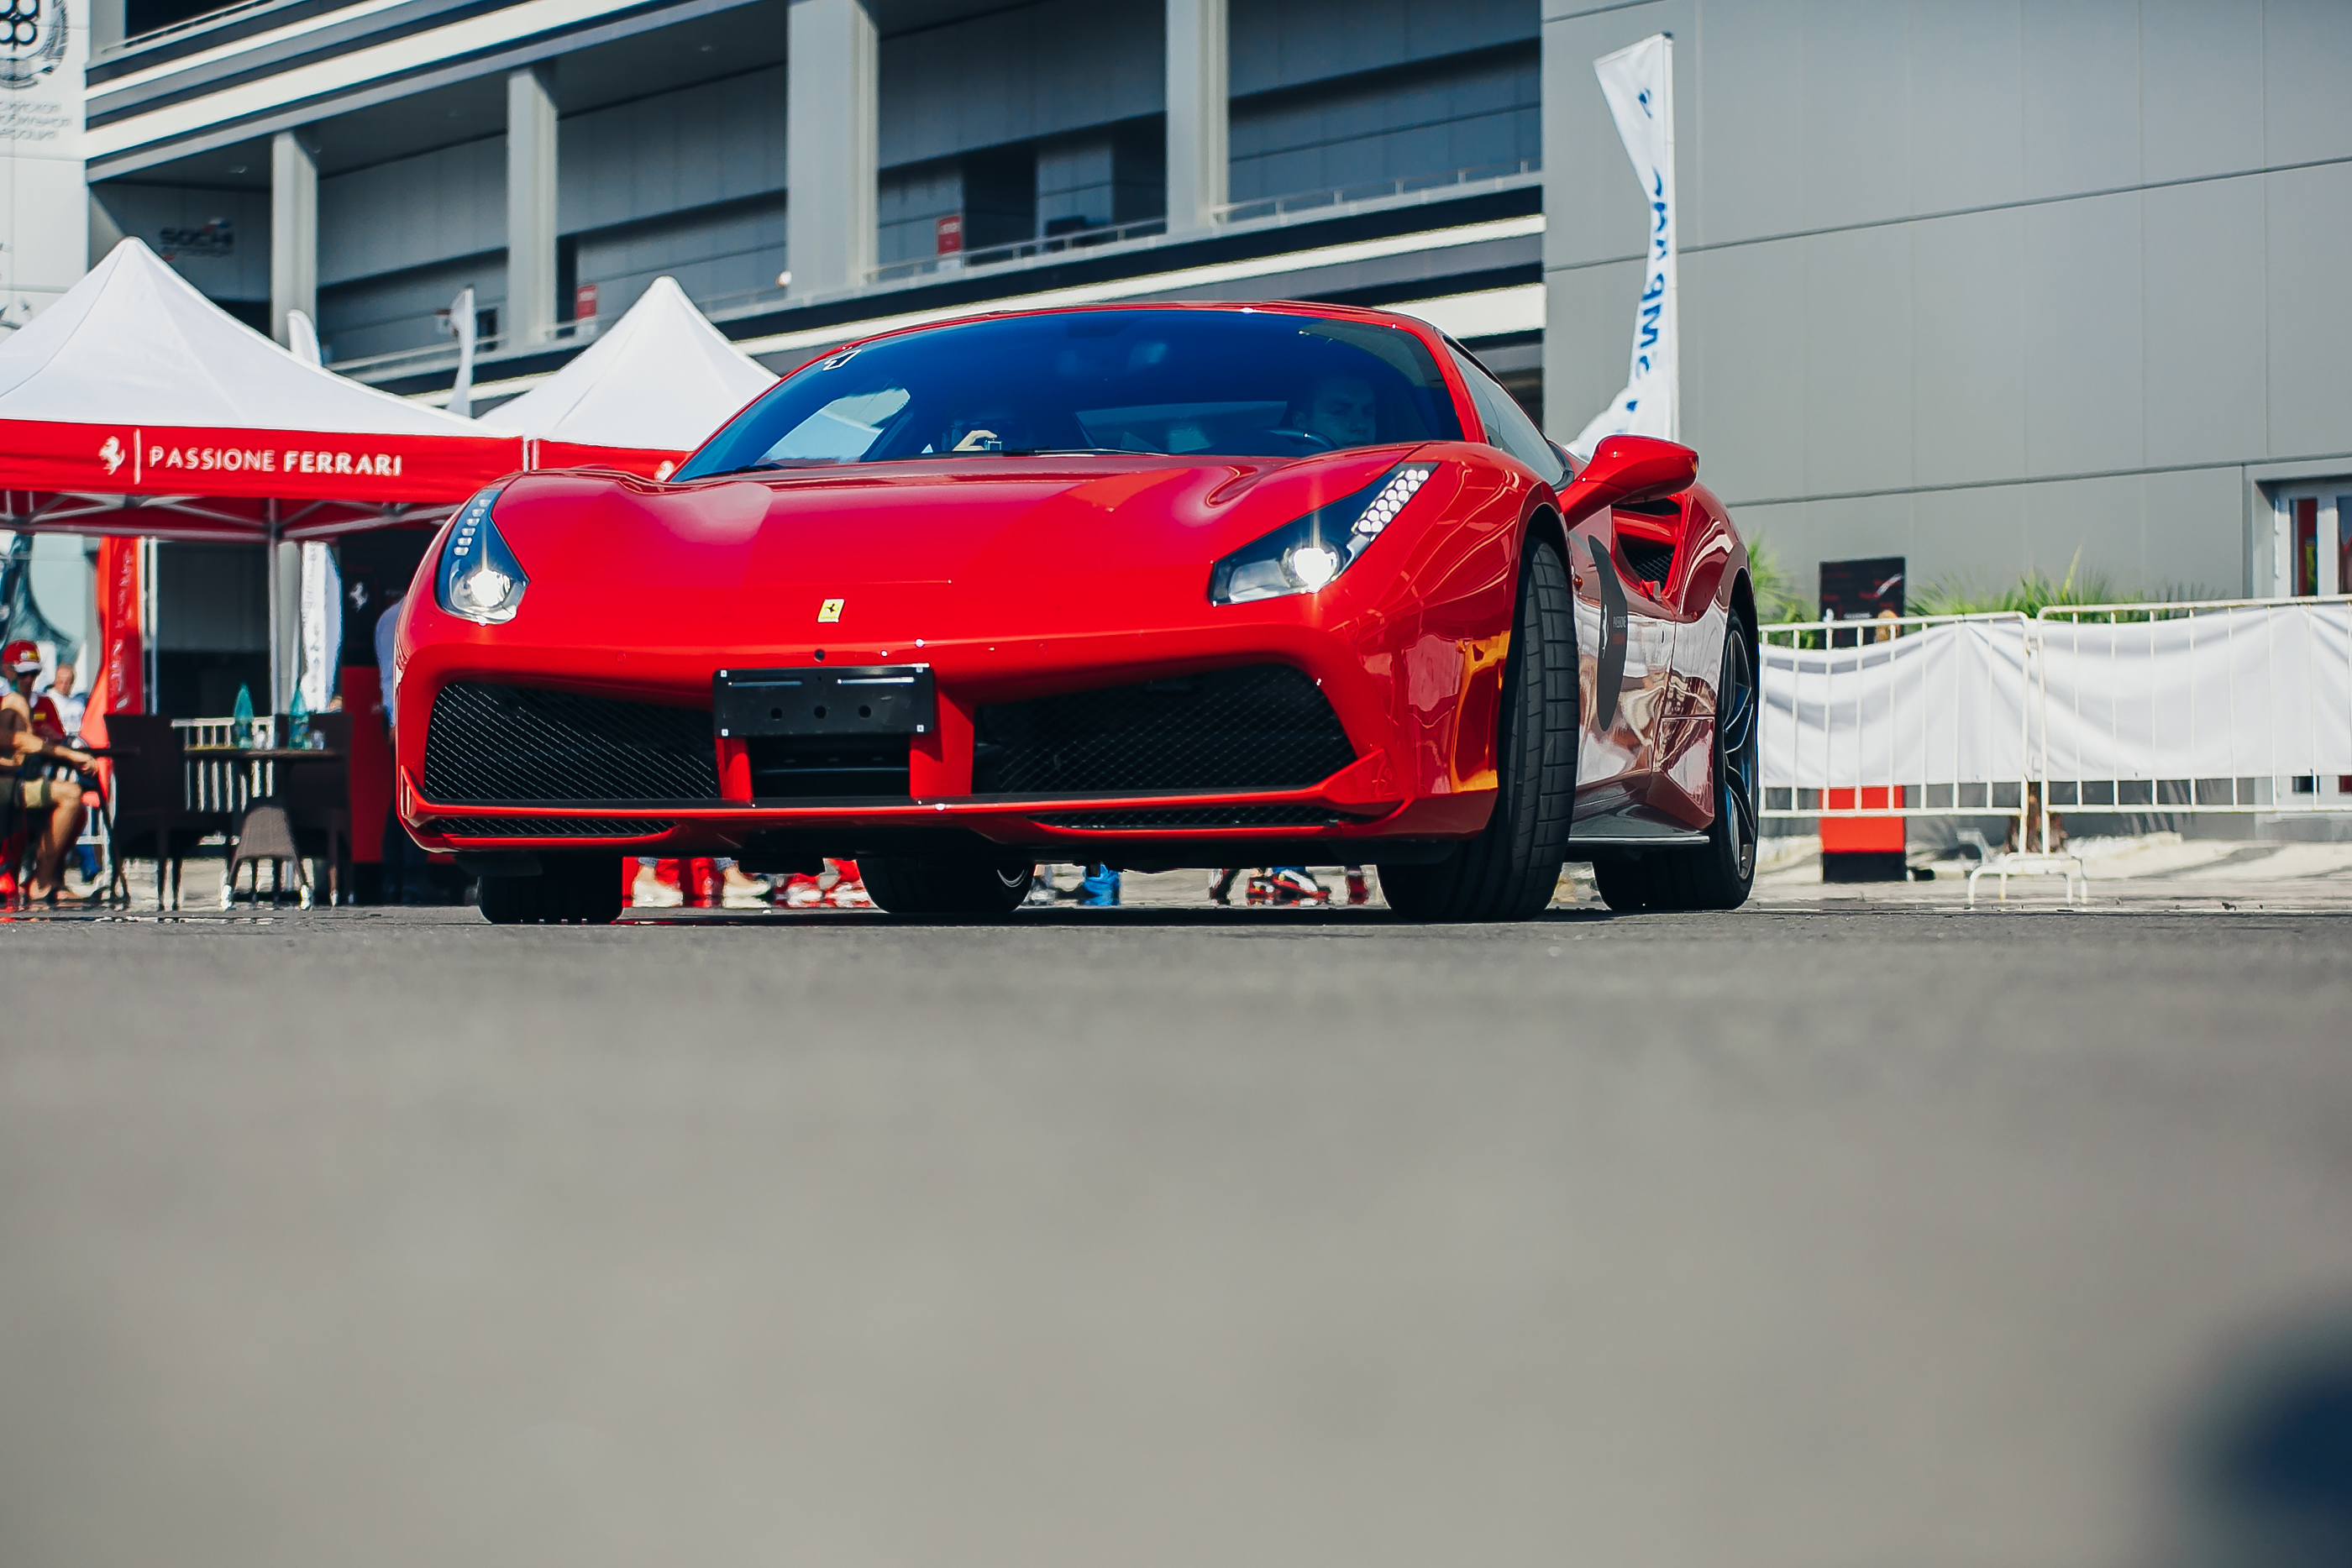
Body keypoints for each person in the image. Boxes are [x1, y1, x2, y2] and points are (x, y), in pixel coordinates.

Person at [1, 640, 97, 904]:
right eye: (23, 674)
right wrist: (69, 753)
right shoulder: (10, 702)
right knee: (70, 795)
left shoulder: (37, 702)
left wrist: (57, 745)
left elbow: (38, 741)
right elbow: (21, 741)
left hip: (25, 781)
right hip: (11, 783)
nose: (29, 680)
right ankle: (39, 880)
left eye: (34, 673)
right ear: (7, 670)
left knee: (77, 808)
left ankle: (45, 878)